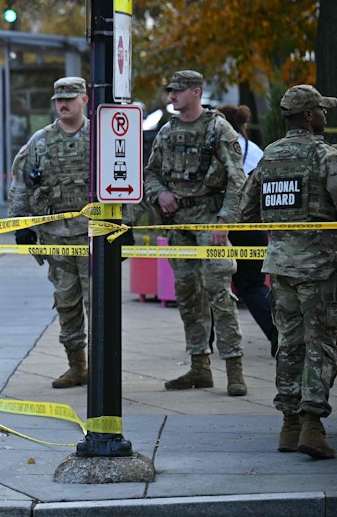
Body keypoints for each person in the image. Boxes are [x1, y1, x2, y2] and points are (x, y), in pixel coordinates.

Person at [237, 84, 337, 459]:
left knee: (289, 345)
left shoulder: (269, 158)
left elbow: (245, 212)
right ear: (309, 116)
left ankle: (288, 426)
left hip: (279, 270)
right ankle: (312, 423)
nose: (326, 116)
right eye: (322, 111)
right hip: (321, 271)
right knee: (322, 345)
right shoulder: (325, 156)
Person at [144, 70, 248, 396]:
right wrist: (160, 193)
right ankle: (199, 367)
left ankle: (234, 368)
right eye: (170, 91)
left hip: (209, 222)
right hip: (179, 226)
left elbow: (237, 180)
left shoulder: (219, 129)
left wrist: (224, 222)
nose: (172, 96)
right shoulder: (166, 132)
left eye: (178, 91)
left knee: (219, 291)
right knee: (188, 294)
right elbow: (151, 175)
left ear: (196, 92)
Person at [9, 77, 93, 388]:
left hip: (93, 238)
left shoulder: (99, 139)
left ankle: (101, 368)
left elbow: (120, 183)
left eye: (70, 98)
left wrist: (124, 226)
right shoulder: (39, 142)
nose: (63, 104)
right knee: (66, 303)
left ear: (84, 99)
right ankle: (77, 366)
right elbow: (21, 184)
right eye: (59, 99)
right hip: (56, 238)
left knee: (98, 305)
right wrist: (20, 225)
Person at [217, 103, 277, 355]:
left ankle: (205, 346)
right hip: (253, 226)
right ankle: (277, 335)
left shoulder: (225, 148)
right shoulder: (255, 150)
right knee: (250, 286)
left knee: (215, 285)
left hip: (228, 224)